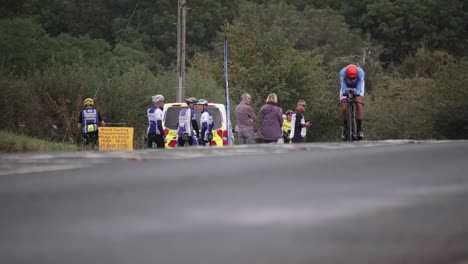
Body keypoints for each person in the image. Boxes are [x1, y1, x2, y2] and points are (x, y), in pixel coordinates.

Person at [340, 64, 365, 140]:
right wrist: (346, 91)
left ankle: (359, 129)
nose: (353, 80)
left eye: (354, 78)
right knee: (344, 107)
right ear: (347, 75)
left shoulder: (361, 73)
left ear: (357, 75)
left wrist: (355, 91)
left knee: (358, 103)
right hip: (346, 86)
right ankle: (345, 129)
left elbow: (360, 89)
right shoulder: (342, 73)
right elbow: (343, 87)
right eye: (351, 78)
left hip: (357, 86)